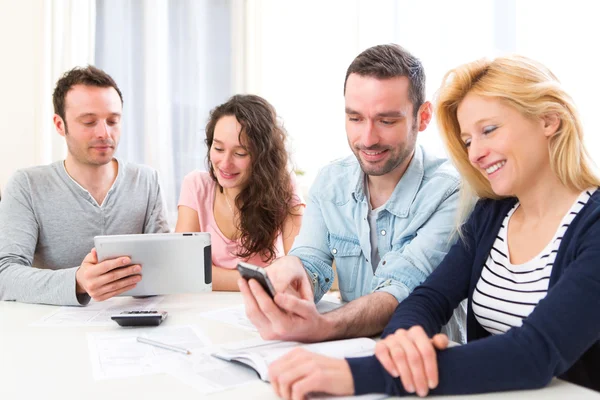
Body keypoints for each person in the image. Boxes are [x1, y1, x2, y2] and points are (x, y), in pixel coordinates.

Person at [268, 55, 600, 398]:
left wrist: (357, 375)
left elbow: (535, 353)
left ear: (549, 120)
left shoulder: (593, 225)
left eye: (489, 130)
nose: (475, 154)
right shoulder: (492, 214)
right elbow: (428, 299)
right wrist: (402, 343)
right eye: (468, 140)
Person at [239, 43, 466, 344]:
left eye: (386, 120)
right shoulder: (330, 182)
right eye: (355, 118)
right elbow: (311, 261)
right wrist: (295, 272)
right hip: (350, 356)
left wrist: (323, 326)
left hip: (429, 367)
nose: (367, 139)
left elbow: (400, 291)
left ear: (422, 117)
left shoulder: (451, 192)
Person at [0, 66, 169, 306]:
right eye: (89, 122)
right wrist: (77, 281)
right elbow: (5, 275)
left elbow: (164, 269)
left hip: (134, 326)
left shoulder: (146, 180)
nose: (104, 133)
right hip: (53, 332)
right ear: (60, 125)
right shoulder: (27, 185)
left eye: (113, 121)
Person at [175, 94, 305, 291]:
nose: (225, 164)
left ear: (262, 156)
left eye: (240, 153)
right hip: (206, 308)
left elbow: (299, 266)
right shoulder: (196, 185)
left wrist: (215, 277)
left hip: (268, 305)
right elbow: (186, 270)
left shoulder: (283, 185)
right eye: (218, 148)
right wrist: (264, 278)